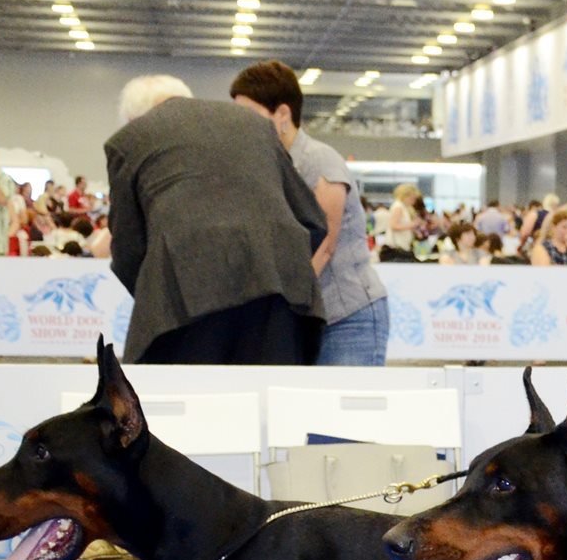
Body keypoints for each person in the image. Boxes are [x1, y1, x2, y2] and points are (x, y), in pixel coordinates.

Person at [104, 74, 328, 363]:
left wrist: (158, 291)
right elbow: (312, 219)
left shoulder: (129, 139)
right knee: (267, 400)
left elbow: (128, 249)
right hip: (280, 293)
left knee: (189, 401)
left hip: (186, 293)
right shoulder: (255, 125)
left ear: (134, 118)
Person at [231, 60, 391, 365]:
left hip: (348, 317)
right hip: (308, 317)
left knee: (345, 411)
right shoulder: (266, 164)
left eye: (248, 114)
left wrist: (280, 307)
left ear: (282, 114)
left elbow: (325, 246)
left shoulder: (320, 161)